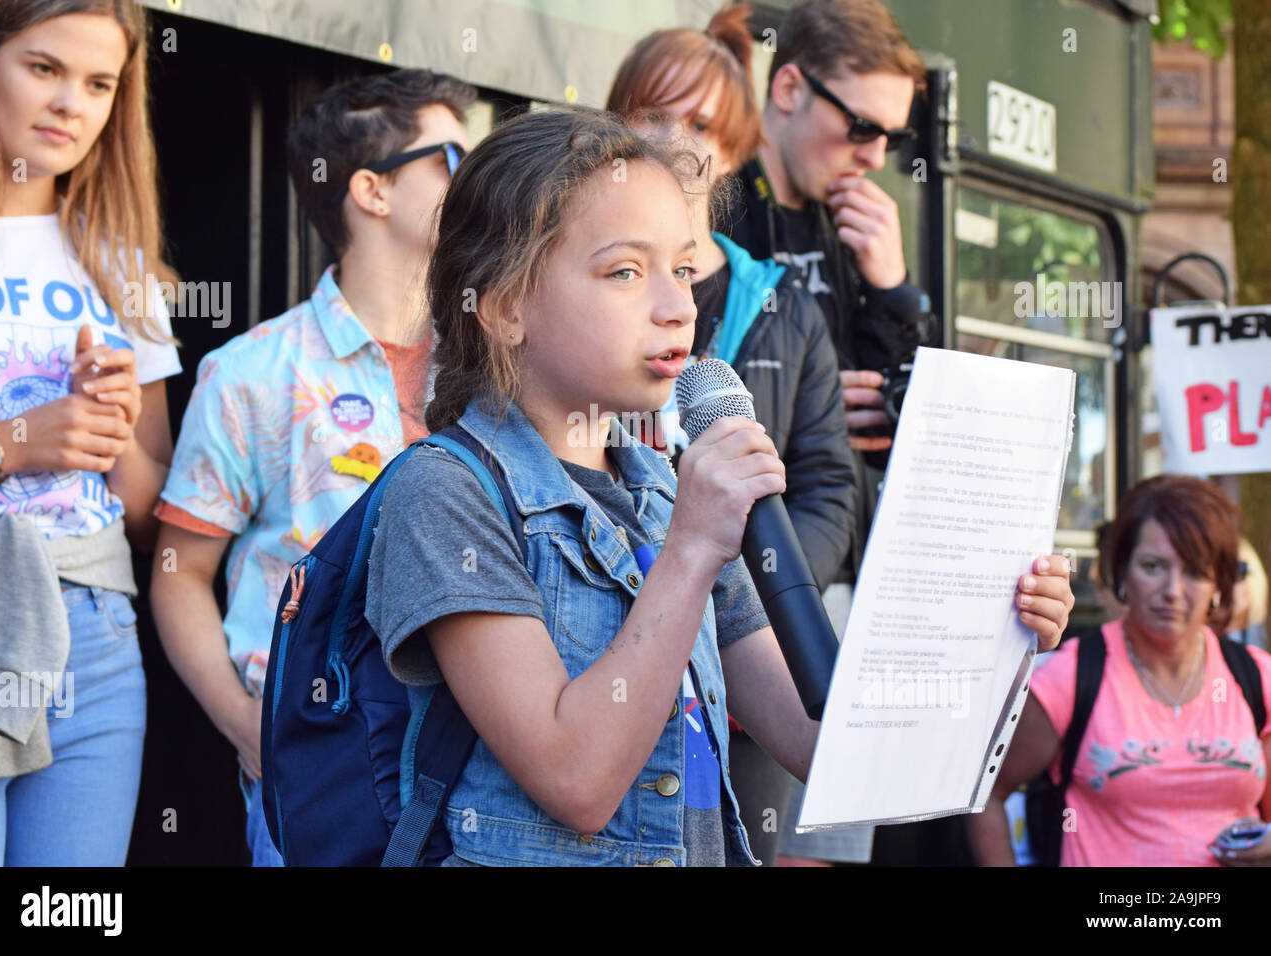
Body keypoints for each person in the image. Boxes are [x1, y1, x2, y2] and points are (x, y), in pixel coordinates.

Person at [363, 106, 1074, 866]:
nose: (678, 307)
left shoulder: (665, 491)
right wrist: (695, 545)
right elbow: (576, 777)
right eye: (626, 272)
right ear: (504, 307)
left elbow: (825, 749)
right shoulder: (444, 493)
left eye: (683, 268)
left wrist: (989, 632)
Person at [149, 69, 474, 866]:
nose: (476, 176)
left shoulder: (494, 362)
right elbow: (178, 571)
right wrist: (246, 726)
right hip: (317, 759)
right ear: (371, 190)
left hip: (479, 749)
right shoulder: (252, 370)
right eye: (453, 157)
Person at [605, 3, 856, 866]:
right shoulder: (586, 309)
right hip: (617, 637)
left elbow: (830, 485)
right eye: (652, 112)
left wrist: (763, 585)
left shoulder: (787, 307)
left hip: (759, 634)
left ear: (740, 147)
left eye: (702, 122)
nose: (676, 137)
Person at [726, 0, 937, 864]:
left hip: (850, 567)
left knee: (831, 838)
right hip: (742, 574)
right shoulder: (723, 205)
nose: (876, 155)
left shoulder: (870, 227)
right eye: (861, 127)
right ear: (787, 87)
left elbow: (923, 413)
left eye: (892, 137)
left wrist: (893, 292)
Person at [0, 0, 180, 866]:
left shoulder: (121, 265)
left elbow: (147, 512)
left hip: (95, 633)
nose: (71, 105)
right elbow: (23, 443)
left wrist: (117, 424)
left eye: (100, 83)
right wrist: (16, 440)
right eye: (44, 68)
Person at [969, 476, 1271, 866]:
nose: (1173, 590)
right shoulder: (1073, 675)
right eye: (1153, 566)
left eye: (1195, 571)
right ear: (1122, 573)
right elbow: (987, 794)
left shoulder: (1256, 676)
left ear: (1218, 582)